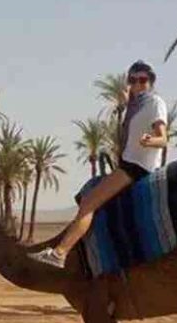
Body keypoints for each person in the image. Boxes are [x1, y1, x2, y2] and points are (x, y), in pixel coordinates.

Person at [30, 60, 168, 268]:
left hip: (136, 166)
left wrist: (150, 141)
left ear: (151, 82)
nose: (138, 85)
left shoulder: (155, 103)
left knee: (88, 203)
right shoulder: (135, 106)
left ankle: (60, 253)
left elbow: (163, 139)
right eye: (133, 80)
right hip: (128, 163)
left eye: (142, 80)